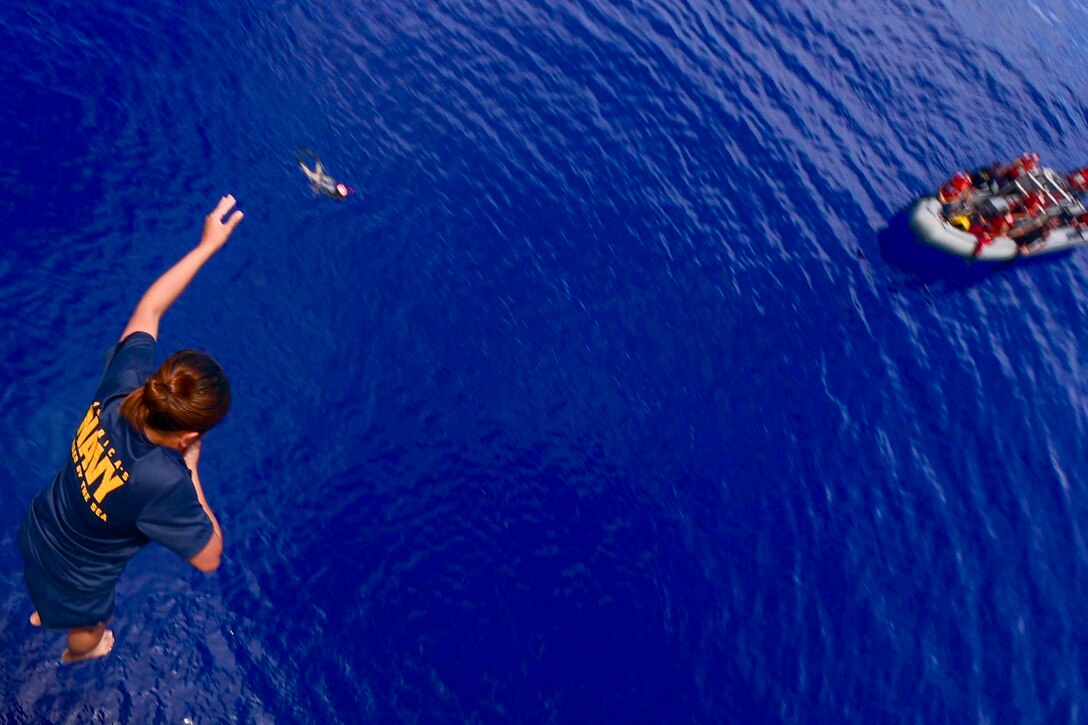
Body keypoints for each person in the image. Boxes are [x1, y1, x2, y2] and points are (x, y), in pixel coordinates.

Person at [18, 195, 244, 663]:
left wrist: (207, 246)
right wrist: (192, 471)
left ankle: (46, 609)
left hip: (42, 521)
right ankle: (77, 655)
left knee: (48, 591)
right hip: (78, 579)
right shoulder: (164, 482)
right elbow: (210, 557)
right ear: (189, 436)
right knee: (92, 626)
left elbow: (151, 308)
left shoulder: (124, 387)